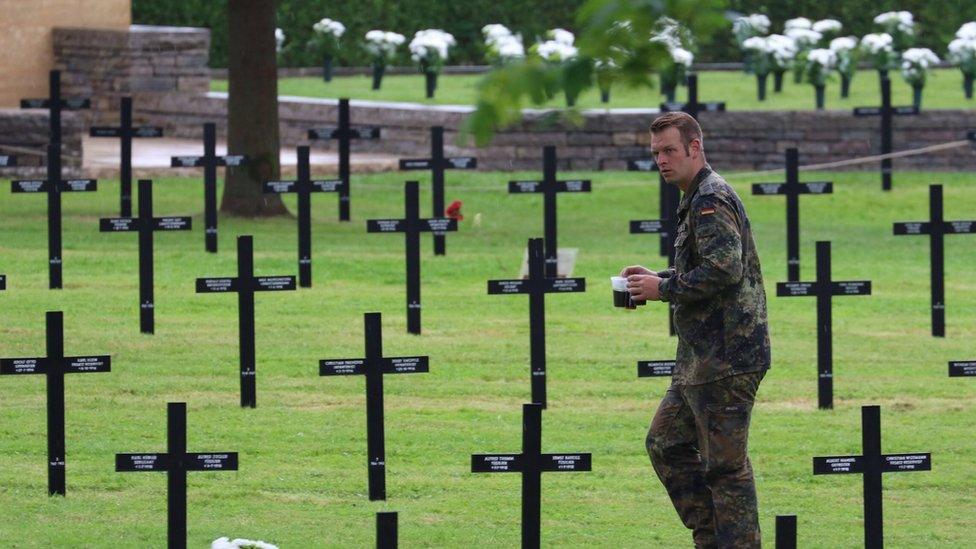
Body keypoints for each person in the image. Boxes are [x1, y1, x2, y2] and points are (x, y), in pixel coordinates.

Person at [620, 111, 770, 548]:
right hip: (701, 360)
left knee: (725, 467)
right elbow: (705, 265)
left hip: (728, 357)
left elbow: (725, 270)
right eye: (655, 153)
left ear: (694, 148)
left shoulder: (710, 198)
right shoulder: (694, 196)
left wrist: (662, 288)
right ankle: (712, 537)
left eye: (669, 150)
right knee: (665, 443)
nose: (661, 160)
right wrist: (656, 278)